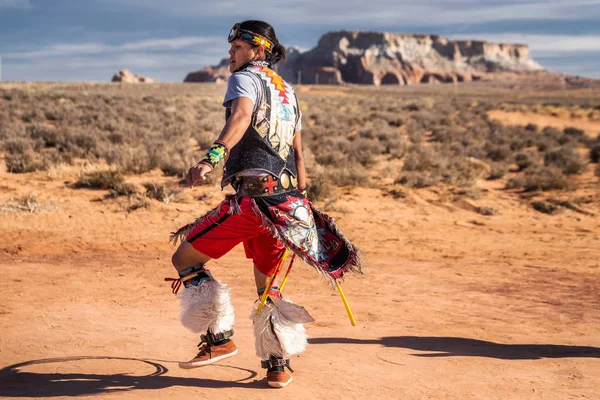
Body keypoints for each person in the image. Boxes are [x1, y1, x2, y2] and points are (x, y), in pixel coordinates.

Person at [168, 20, 362, 389]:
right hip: (286, 207)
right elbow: (300, 155)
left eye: (237, 48)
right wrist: (302, 205)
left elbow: (241, 116)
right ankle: (278, 364)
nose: (231, 54)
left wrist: (211, 158)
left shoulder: (245, 78)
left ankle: (218, 339)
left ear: (258, 50)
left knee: (185, 260)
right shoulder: (288, 91)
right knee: (268, 286)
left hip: (252, 203)